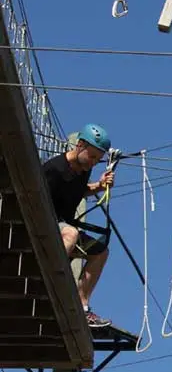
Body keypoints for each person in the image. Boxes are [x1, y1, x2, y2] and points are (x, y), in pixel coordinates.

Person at [42, 123, 115, 328]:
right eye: (92, 157)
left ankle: (82, 307)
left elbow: (79, 191)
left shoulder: (82, 170)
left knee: (100, 252)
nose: (93, 163)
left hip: (63, 226)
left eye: (97, 160)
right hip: (44, 224)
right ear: (80, 145)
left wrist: (99, 186)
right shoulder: (54, 169)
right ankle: (47, 286)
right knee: (71, 234)